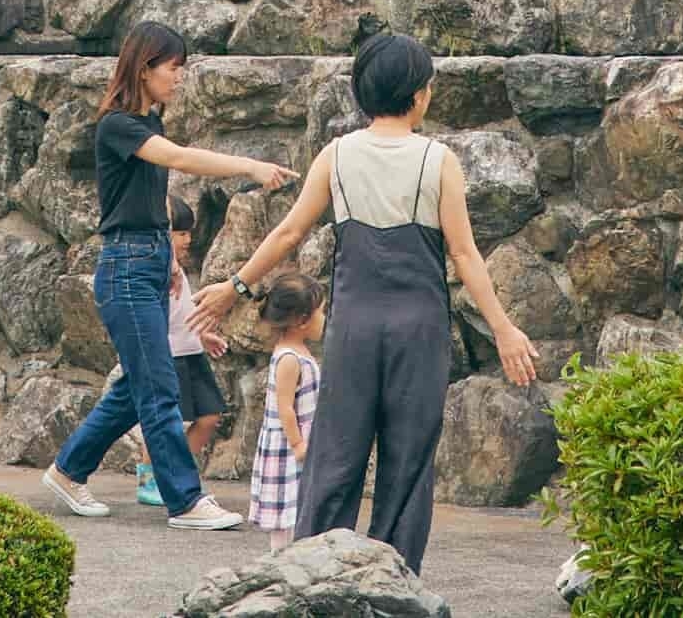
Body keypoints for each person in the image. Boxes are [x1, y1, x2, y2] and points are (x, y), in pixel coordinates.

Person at [189, 33, 539, 574]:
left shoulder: (337, 154)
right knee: (407, 465)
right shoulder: (437, 160)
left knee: (335, 456)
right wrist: (504, 329)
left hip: (352, 328)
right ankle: (393, 584)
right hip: (419, 331)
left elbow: (287, 234)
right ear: (420, 94)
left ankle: (310, 578)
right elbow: (465, 255)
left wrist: (234, 287)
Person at [45, 23, 295, 533]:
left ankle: (67, 471)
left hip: (150, 263)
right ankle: (184, 500)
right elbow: (179, 159)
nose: (180, 78)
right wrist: (249, 166)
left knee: (135, 387)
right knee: (159, 389)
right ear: (145, 68)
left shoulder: (147, 121)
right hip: (126, 268)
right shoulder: (118, 125)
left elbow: (153, 199)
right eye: (173, 68)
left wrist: (173, 265)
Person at [128, 197, 228, 509]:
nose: (187, 239)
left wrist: (202, 334)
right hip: (168, 354)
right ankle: (150, 479)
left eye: (188, 233)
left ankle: (176, 474)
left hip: (190, 353)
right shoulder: (154, 272)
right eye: (179, 232)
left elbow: (182, 314)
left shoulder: (178, 273)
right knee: (164, 420)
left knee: (209, 416)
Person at [248, 274, 325, 552]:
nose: (324, 318)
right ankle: (280, 560)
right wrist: (298, 444)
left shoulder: (299, 351)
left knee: (299, 507)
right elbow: (285, 408)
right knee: (286, 513)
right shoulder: (289, 358)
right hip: (289, 448)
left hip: (300, 444)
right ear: (302, 320)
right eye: (321, 312)